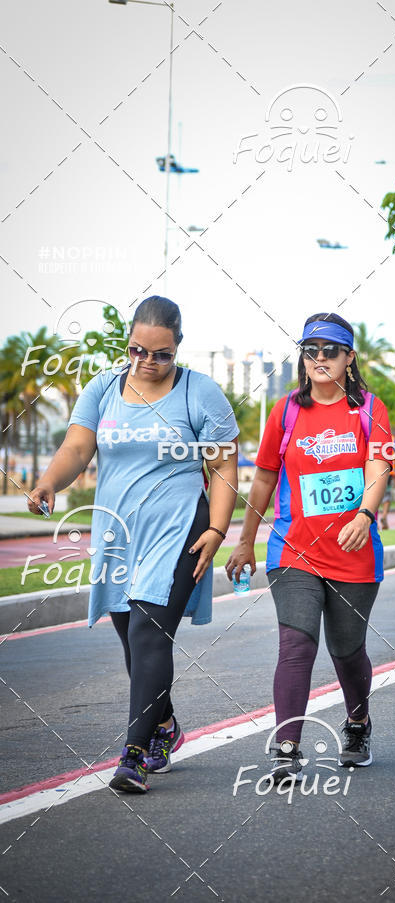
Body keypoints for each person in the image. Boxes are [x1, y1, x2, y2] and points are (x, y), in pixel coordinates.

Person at [28, 296, 239, 792]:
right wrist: (47, 484)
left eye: (161, 354)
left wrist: (218, 530)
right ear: (128, 344)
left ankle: (135, 754)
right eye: (138, 351)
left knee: (148, 634)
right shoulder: (103, 387)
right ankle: (163, 723)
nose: (148, 362)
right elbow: (78, 447)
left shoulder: (200, 394)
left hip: (180, 526)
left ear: (178, 348)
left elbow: (225, 465)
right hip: (118, 531)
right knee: (130, 635)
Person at [226, 313, 393, 781]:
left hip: (355, 552)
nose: (320, 358)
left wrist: (364, 514)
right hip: (293, 549)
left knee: (347, 650)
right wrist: (244, 541)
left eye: (330, 350)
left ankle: (357, 723)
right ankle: (286, 748)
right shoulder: (286, 411)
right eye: (311, 349)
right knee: (296, 643)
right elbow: (262, 478)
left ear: (349, 358)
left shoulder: (368, 409)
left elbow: (379, 466)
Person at [379, 457, 395, 529]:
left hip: (377, 472)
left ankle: (375, 520)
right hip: (389, 472)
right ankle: (384, 516)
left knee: (376, 495)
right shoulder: (392, 446)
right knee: (387, 496)